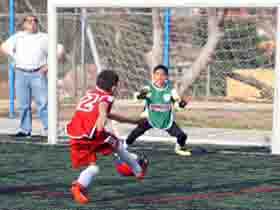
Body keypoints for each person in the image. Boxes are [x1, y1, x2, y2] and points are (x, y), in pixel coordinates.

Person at [66, 70, 147, 205]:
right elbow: (103, 108)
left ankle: (78, 187)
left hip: (76, 135)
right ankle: (138, 170)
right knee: (118, 145)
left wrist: (134, 121)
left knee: (93, 168)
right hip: (93, 134)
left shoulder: (90, 93)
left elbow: (109, 114)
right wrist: (102, 118)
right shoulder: (107, 97)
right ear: (113, 87)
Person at [0, 15, 64, 137]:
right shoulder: (18, 37)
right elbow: (3, 47)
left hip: (37, 74)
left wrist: (49, 65)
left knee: (43, 103)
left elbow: (60, 49)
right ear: (24, 24)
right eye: (29, 21)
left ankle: (49, 129)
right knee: (23, 104)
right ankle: (25, 130)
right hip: (20, 74)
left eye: (35, 21)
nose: (32, 23)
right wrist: (13, 57)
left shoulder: (44, 37)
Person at [126, 64, 192, 156]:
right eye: (157, 74)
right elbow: (136, 99)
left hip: (165, 120)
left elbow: (177, 107)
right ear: (153, 76)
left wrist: (182, 104)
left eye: (162, 74)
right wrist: (140, 96)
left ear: (166, 77)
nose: (160, 77)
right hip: (150, 118)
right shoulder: (148, 88)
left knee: (182, 136)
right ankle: (125, 146)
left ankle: (179, 147)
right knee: (136, 132)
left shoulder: (171, 91)